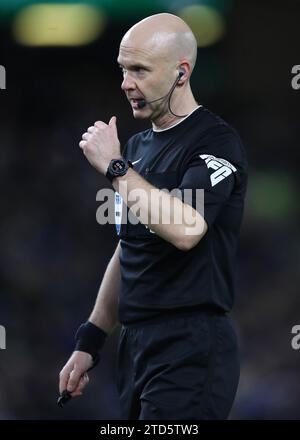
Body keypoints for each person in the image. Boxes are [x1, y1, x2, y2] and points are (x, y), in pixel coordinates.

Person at [58, 13, 248, 420]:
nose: (127, 83)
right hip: (136, 345)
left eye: (140, 70)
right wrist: (89, 340)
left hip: (191, 345)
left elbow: (186, 229)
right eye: (124, 70)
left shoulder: (215, 141)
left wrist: (115, 167)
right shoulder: (139, 146)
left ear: (182, 72)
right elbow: (130, 247)